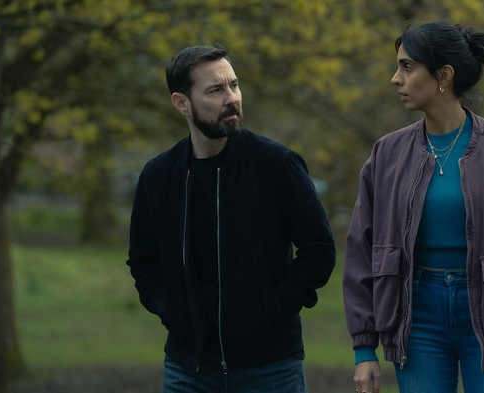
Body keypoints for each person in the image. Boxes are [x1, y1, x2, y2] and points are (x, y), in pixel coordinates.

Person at [343, 22, 484, 393]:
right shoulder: (387, 154)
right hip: (417, 319)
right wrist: (363, 348)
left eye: (407, 67)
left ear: (443, 76)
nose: (394, 79)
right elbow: (360, 253)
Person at [126, 45, 336, 393]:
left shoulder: (277, 165)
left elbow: (319, 251)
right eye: (215, 90)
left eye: (234, 85)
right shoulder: (159, 176)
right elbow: (144, 263)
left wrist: (274, 309)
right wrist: (171, 312)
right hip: (187, 368)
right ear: (181, 103)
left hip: (270, 366)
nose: (231, 98)